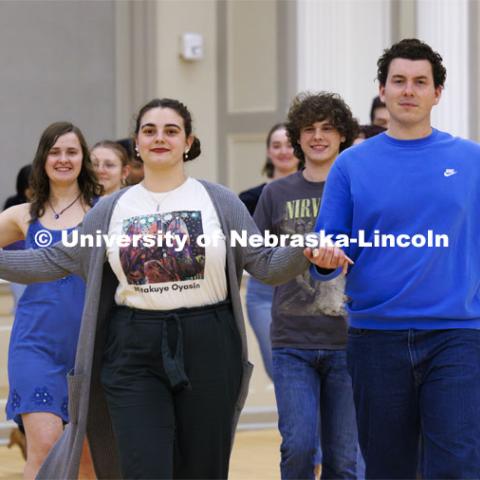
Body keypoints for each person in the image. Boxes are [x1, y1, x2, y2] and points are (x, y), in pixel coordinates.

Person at [0, 98, 314, 480]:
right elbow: (51, 260)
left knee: (202, 468)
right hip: (133, 346)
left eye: (171, 131)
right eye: (149, 131)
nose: (159, 138)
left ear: (188, 142)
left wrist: (306, 248)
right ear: (137, 143)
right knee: (143, 467)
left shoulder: (219, 201)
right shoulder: (111, 209)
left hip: (209, 342)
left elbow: (266, 264)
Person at [308, 38, 480, 478]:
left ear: (437, 92)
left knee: (458, 464)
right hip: (375, 338)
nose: (408, 90)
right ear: (382, 91)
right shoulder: (351, 165)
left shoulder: (471, 160)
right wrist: (326, 257)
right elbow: (325, 250)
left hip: (457, 336)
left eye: (420, 82)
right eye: (398, 81)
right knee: (388, 468)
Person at [255, 92, 361, 479]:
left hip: (348, 341)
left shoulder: (358, 190)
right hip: (292, 341)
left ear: (342, 136)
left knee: (343, 459)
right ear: (298, 138)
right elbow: (258, 260)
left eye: (328, 129)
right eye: (309, 129)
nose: (318, 136)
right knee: (298, 448)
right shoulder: (275, 194)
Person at [0, 122, 101, 479]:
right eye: (54, 152)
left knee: (89, 462)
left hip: (91, 349)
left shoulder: (103, 213)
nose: (63, 159)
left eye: (71, 152)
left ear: (83, 159)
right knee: (44, 449)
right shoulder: (22, 216)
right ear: (42, 160)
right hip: (35, 347)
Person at [239, 123, 300, 379]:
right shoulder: (250, 198)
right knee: (279, 369)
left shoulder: (323, 190)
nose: (283, 151)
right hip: (265, 291)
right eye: (276, 145)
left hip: (308, 286)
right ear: (268, 152)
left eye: (288, 144)